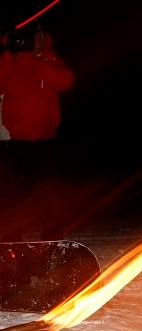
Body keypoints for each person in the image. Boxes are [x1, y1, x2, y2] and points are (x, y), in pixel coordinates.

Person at [0, 22, 74, 241]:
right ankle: (12, 241)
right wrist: (13, 53)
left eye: (36, 35)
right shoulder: (9, 59)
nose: (31, 40)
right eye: (26, 37)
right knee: (15, 195)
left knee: (47, 193)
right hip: (16, 142)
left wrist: (33, 59)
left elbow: (66, 81)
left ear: (43, 37)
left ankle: (51, 238)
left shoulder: (49, 58)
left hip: (45, 140)